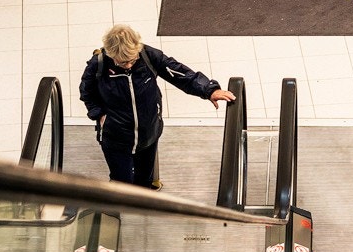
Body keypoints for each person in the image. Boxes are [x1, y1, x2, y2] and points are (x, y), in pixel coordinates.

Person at [79, 24, 236, 188]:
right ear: (111, 54)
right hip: (115, 137)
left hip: (149, 133)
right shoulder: (98, 64)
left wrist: (209, 90)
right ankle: (121, 202)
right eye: (122, 62)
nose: (129, 66)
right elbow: (86, 92)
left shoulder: (147, 55)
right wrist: (99, 114)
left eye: (132, 60)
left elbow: (178, 73)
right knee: (121, 181)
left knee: (144, 179)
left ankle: (145, 198)